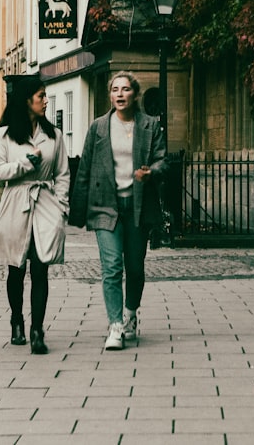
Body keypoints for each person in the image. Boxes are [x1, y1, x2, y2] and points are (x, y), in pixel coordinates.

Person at [69, 71, 168, 351]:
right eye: (115, 89)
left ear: (135, 94)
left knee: (134, 268)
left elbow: (163, 160)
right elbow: (85, 167)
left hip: (137, 206)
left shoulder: (149, 125)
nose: (120, 94)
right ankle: (115, 326)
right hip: (105, 206)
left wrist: (151, 172)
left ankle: (130, 312)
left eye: (125, 89)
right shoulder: (99, 127)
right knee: (111, 267)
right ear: (110, 95)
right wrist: (77, 210)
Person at [0, 74, 69, 355]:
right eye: (41, 96)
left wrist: (62, 207)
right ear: (27, 100)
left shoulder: (54, 135)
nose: (46, 101)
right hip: (16, 201)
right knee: (16, 268)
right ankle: (16, 320)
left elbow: (62, 174)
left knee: (41, 267)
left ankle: (37, 330)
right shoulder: (5, 134)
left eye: (45, 96)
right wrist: (24, 164)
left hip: (45, 202)